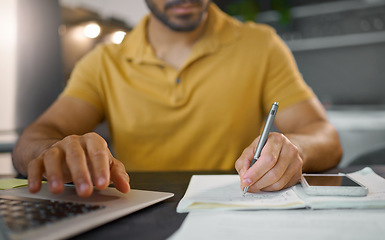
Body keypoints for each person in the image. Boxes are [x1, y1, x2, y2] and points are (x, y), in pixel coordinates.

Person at [12, 0, 342, 198]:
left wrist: (295, 149)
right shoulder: (103, 62)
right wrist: (50, 151)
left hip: (238, 212)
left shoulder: (262, 45)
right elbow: (35, 138)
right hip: (136, 218)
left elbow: (323, 135)